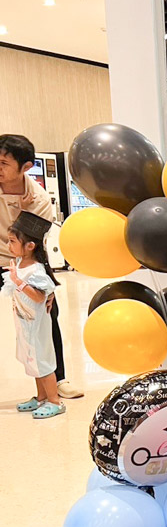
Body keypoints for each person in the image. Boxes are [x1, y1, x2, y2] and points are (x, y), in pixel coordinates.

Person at [0, 134, 82, 399]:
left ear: (25, 167)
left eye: (3, 163)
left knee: (46, 313)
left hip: (23, 259)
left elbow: (30, 244)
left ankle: (58, 379)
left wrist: (24, 213)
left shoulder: (39, 199)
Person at [3, 211, 64, 418]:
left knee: (43, 362)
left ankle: (55, 401)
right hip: (25, 324)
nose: (8, 245)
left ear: (30, 246)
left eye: (12, 241)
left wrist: (18, 282)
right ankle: (41, 397)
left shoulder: (36, 270)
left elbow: (39, 297)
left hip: (36, 326)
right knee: (33, 362)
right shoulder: (20, 262)